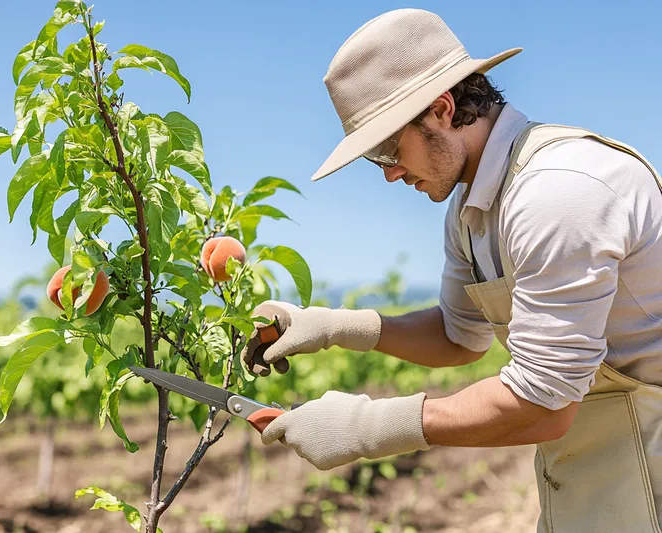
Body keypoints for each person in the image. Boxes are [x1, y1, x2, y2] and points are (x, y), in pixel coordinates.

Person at [240, 8, 662, 532]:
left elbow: (544, 403)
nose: (391, 174)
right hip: (596, 479)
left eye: (388, 150)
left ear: (442, 109)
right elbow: (458, 336)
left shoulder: (556, 191)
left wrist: (370, 426)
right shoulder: (471, 213)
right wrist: (332, 327)